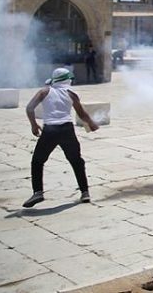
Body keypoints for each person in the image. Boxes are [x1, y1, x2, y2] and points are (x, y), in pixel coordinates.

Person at [23, 67, 99, 207]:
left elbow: (29, 108)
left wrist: (34, 125)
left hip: (50, 131)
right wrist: (92, 123)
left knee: (37, 162)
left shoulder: (44, 91)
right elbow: (82, 114)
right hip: (67, 130)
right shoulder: (71, 94)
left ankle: (38, 192)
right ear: (67, 79)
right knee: (76, 161)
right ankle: (85, 192)